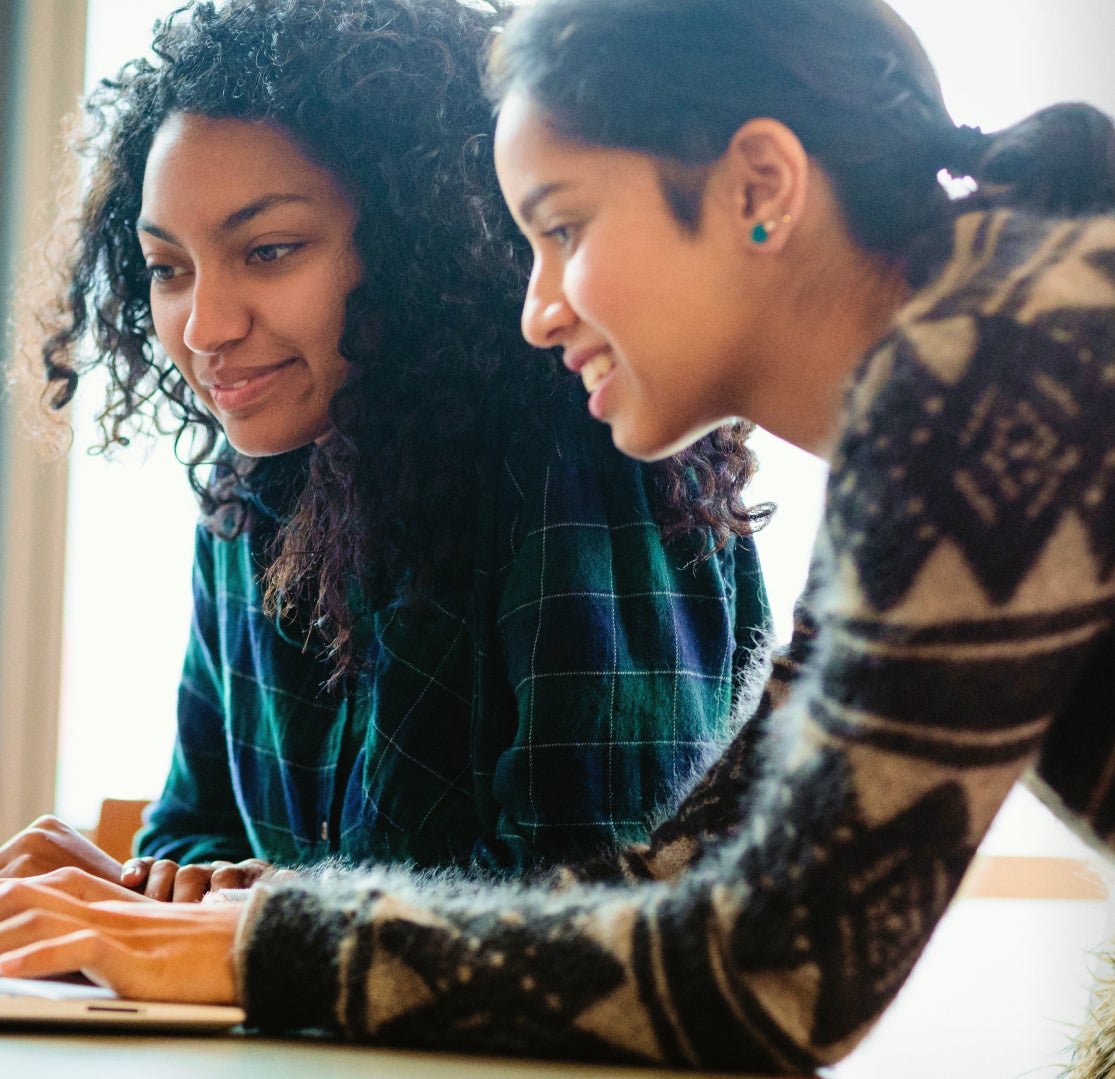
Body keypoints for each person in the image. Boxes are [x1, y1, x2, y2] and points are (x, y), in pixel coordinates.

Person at [2, 0, 1113, 1072]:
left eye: (564, 227)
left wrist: (261, 941)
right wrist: (200, 914)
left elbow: (772, 971)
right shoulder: (973, 366)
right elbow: (682, 879)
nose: (533, 307)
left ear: (758, 187)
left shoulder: (994, 372)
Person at [0, 0, 772, 898]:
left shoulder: (579, 449)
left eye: (270, 250)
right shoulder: (250, 485)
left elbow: (597, 896)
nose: (204, 327)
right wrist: (128, 888)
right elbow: (197, 823)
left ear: (420, 243)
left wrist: (265, 915)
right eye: (168, 268)